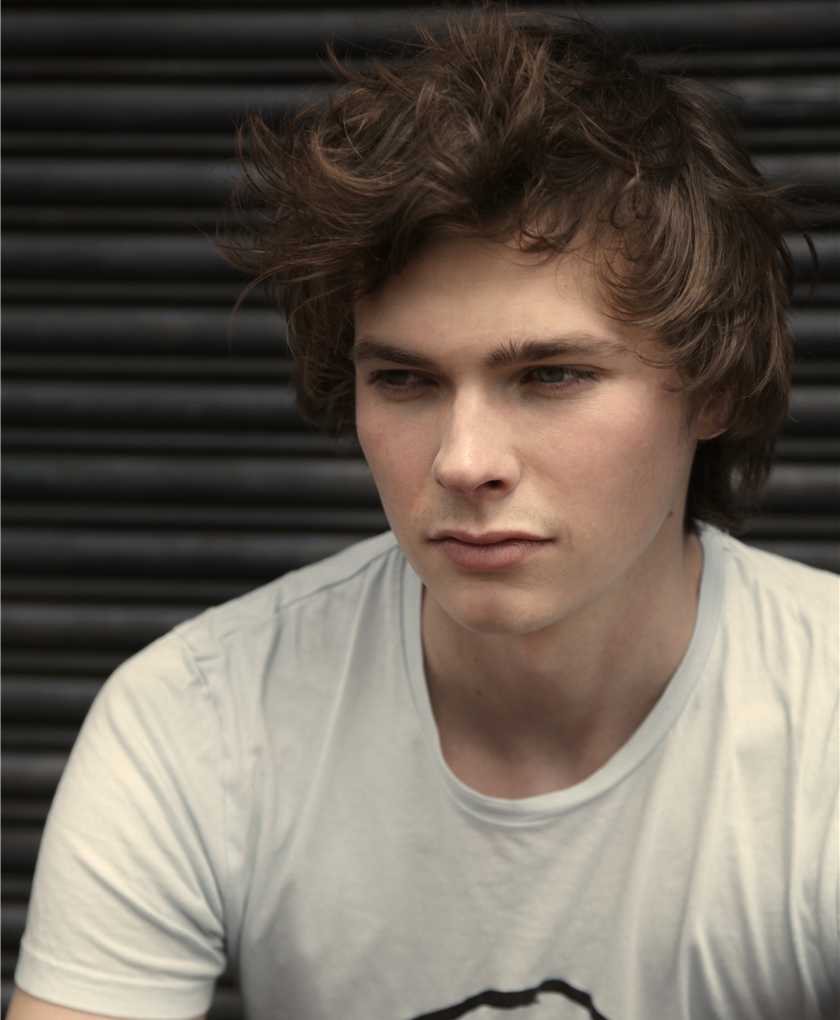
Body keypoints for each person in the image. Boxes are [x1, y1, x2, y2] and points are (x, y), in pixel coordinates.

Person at [9, 6, 838, 1020]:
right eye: (404, 380)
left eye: (552, 375)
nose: (463, 462)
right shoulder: (200, 719)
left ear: (714, 389)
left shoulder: (822, 720)